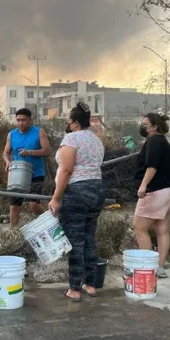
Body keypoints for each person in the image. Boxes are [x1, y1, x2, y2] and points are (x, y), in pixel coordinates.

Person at [48, 102, 106, 302]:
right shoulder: (97, 140)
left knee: (75, 240)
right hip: (97, 190)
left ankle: (74, 288)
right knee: (89, 236)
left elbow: (66, 170)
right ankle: (90, 284)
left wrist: (56, 198)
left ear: (74, 123)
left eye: (68, 122)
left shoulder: (71, 138)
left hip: (77, 192)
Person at [133, 113, 170, 279]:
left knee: (139, 227)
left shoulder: (154, 141)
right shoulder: (163, 141)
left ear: (154, 126)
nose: (142, 126)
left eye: (145, 124)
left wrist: (143, 185)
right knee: (162, 230)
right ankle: (159, 267)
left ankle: (148, 266)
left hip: (156, 190)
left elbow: (152, 166)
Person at [3, 108, 51, 227]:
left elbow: (47, 150)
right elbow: (5, 153)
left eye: (23, 120)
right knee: (14, 206)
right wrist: (7, 162)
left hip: (36, 173)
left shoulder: (39, 132)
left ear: (30, 120)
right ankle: (13, 234)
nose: (20, 123)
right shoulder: (12, 134)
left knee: (33, 204)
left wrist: (29, 152)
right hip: (17, 175)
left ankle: (50, 222)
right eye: (18, 120)